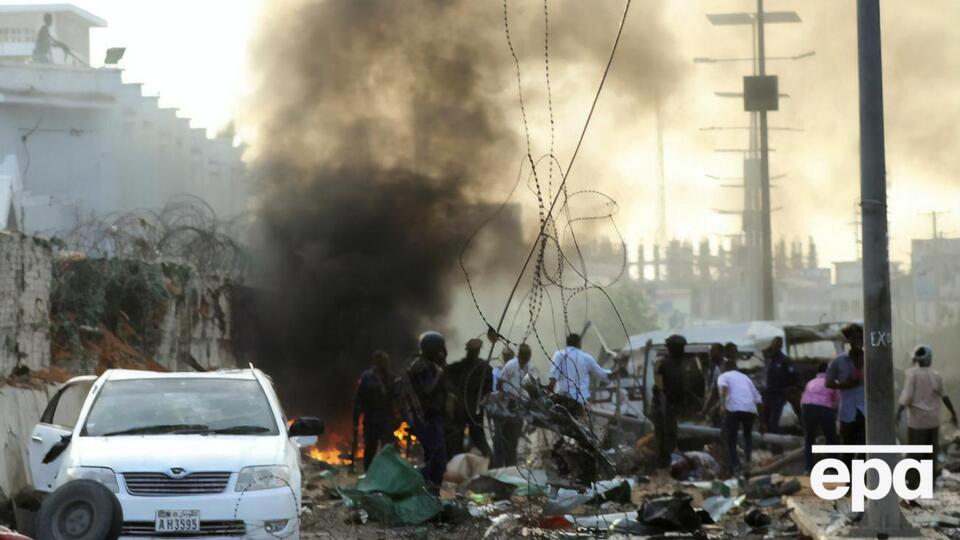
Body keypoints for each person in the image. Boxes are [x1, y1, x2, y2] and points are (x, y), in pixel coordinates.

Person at [897, 345, 958, 485]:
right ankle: (928, 482)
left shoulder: (911, 374)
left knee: (915, 453)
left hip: (916, 422)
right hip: (932, 421)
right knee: (930, 453)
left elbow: (906, 397)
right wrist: (953, 414)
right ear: (929, 358)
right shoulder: (936, 376)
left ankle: (912, 482)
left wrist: (899, 412)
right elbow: (945, 397)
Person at [407, 331, 449, 489]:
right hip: (427, 418)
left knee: (435, 457)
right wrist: (439, 375)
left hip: (432, 417)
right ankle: (425, 486)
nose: (442, 352)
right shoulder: (421, 366)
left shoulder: (428, 364)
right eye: (439, 349)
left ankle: (430, 488)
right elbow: (426, 391)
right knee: (437, 458)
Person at [825, 324, 866, 466]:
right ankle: (849, 483)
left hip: (866, 413)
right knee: (847, 451)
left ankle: (861, 482)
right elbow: (828, 383)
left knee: (864, 450)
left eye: (860, 338)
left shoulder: (870, 360)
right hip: (847, 413)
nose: (858, 341)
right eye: (854, 338)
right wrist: (845, 385)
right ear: (848, 341)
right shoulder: (838, 361)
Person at [446, 338, 493, 457]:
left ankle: (491, 463)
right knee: (459, 439)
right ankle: (459, 464)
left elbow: (488, 390)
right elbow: (447, 379)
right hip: (463, 407)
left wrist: (482, 400)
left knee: (477, 438)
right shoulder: (461, 367)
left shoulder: (484, 368)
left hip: (473, 408)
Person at [492, 343, 537, 467]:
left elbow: (534, 387)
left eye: (528, 356)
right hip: (508, 404)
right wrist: (504, 399)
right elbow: (500, 383)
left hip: (521, 405)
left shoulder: (530, 368)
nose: (526, 359)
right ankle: (498, 464)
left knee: (514, 437)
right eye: (524, 356)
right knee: (502, 436)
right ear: (519, 356)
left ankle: (510, 465)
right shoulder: (511, 365)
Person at [352, 350, 397, 471]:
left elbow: (396, 399)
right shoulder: (367, 377)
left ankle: (386, 474)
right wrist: (355, 421)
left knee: (387, 448)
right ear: (376, 361)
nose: (384, 363)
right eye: (382, 361)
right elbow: (359, 400)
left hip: (386, 418)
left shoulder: (391, 377)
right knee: (370, 448)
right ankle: (369, 473)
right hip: (371, 418)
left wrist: (398, 418)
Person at [717, 358, 762, 475]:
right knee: (748, 437)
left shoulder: (723, 376)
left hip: (733, 409)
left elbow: (724, 389)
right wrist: (762, 421)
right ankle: (748, 462)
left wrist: (722, 405)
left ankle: (736, 467)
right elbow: (758, 398)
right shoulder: (746, 378)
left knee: (731, 439)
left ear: (724, 367)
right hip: (749, 409)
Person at [548, 333, 609, 413]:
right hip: (579, 403)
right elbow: (602, 375)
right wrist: (617, 371)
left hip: (561, 400)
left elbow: (553, 378)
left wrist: (549, 395)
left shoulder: (559, 355)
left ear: (567, 343)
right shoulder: (587, 358)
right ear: (579, 344)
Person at [653, 334, 687, 467]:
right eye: (681, 348)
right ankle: (664, 462)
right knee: (665, 434)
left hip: (671, 405)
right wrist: (664, 407)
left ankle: (669, 460)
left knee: (670, 434)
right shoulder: (663, 364)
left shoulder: (679, 363)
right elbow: (660, 386)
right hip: (664, 404)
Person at [800, 363, 839, 472]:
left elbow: (804, 398)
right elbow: (836, 401)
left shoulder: (810, 382)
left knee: (809, 438)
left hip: (807, 407)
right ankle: (832, 468)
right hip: (824, 408)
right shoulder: (833, 382)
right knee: (831, 438)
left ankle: (808, 468)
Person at [763, 336, 798, 453]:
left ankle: (777, 449)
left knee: (774, 422)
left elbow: (794, 377)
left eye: (777, 344)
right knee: (766, 422)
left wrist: (788, 391)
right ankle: (771, 446)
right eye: (773, 343)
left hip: (779, 395)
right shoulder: (770, 360)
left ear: (781, 345)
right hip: (768, 395)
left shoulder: (785, 361)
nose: (775, 346)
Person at [700, 343, 725, 425]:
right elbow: (712, 390)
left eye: (712, 351)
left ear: (721, 353)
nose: (710, 354)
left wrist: (705, 410)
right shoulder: (715, 369)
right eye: (710, 351)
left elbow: (714, 391)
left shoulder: (724, 368)